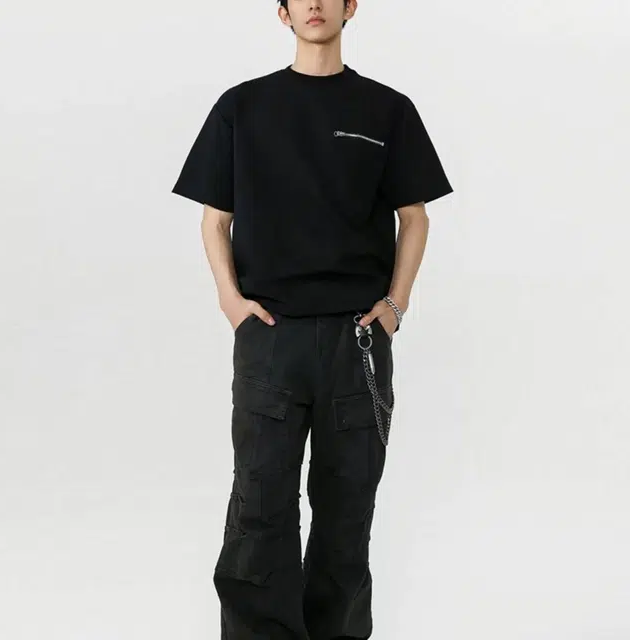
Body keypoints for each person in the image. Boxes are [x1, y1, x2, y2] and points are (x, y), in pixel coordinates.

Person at [171, 0, 453, 637]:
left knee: (347, 511)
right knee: (259, 506)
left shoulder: (387, 110)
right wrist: (231, 302)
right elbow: (215, 221)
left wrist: (394, 307)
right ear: (283, 13)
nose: (315, 5)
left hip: (358, 342)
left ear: (351, 7)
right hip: (270, 339)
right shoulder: (242, 107)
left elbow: (415, 218)